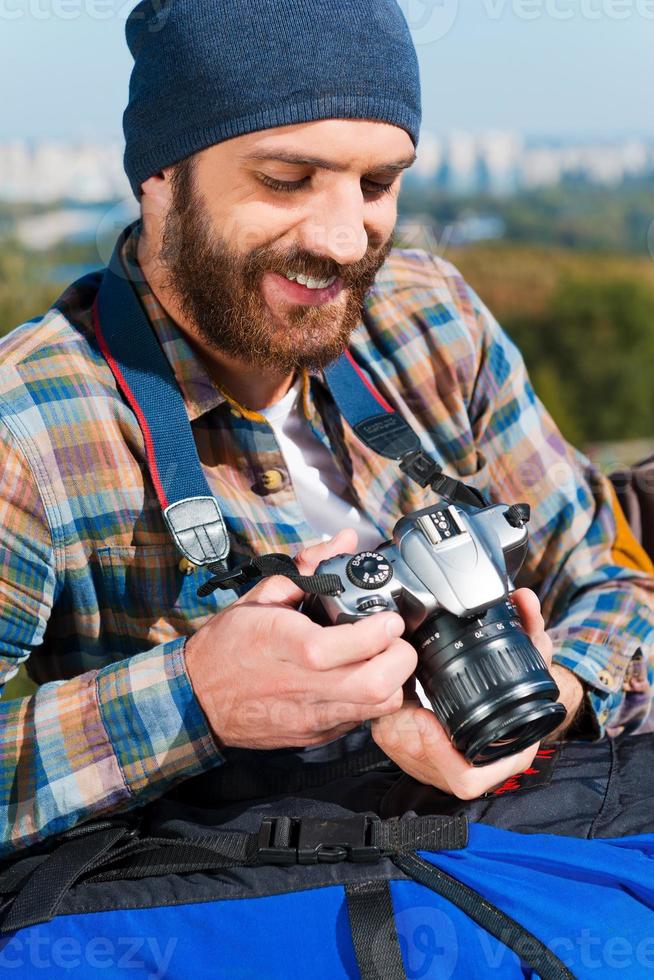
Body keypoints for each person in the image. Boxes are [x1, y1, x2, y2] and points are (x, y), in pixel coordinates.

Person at [0, 0, 652, 858]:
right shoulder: (32, 425)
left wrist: (541, 696)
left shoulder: (432, 320)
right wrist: (197, 698)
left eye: (377, 184)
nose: (347, 240)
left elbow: (614, 576)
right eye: (285, 179)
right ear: (158, 175)